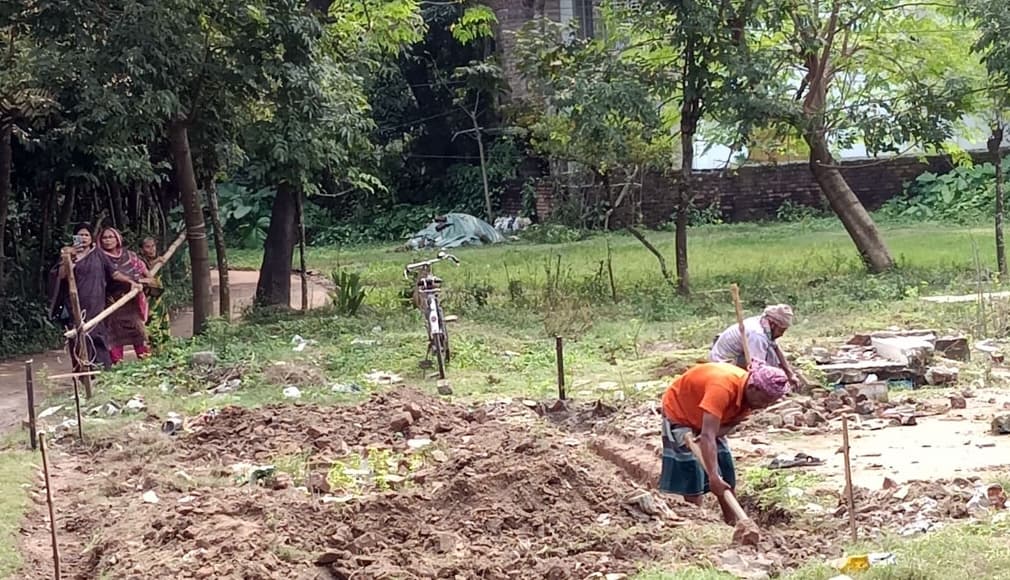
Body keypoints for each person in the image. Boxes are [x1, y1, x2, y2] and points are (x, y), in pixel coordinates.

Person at [659, 362, 790, 524]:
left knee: (725, 471)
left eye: (770, 403)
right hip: (681, 411)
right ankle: (698, 523)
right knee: (692, 472)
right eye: (764, 400)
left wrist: (710, 445)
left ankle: (734, 524)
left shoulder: (750, 399)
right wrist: (713, 475)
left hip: (710, 417)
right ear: (753, 388)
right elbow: (708, 435)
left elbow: (725, 427)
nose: (764, 406)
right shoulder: (722, 388)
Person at [48, 223, 143, 371]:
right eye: (80, 235)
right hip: (76, 304)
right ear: (74, 238)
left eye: (86, 235)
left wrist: (132, 282)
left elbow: (114, 273)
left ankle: (103, 371)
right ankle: (83, 372)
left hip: (96, 303)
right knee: (80, 337)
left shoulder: (98, 254)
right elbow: (60, 276)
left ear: (91, 238)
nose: (83, 238)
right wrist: (69, 259)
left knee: (98, 334)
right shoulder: (68, 254)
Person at [98, 227, 154, 364]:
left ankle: (147, 365)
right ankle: (118, 368)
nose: (108, 240)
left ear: (118, 239)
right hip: (111, 304)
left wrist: (140, 282)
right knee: (114, 338)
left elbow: (149, 277)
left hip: (132, 304)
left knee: (139, 335)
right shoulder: (99, 258)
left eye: (111, 237)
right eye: (105, 238)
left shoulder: (130, 256)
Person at [709, 304, 797, 385]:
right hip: (723, 365)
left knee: (771, 353)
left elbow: (776, 347)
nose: (782, 335)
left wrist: (790, 374)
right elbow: (758, 368)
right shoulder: (757, 335)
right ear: (773, 325)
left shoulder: (764, 322)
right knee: (765, 367)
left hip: (733, 356)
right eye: (781, 331)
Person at [139, 237, 171, 352]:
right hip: (149, 298)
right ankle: (155, 351)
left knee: (164, 323)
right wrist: (156, 261)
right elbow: (147, 273)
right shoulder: (140, 261)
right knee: (152, 324)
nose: (151, 249)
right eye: (148, 247)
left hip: (159, 297)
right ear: (142, 249)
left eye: (153, 246)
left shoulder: (157, 259)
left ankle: (166, 349)